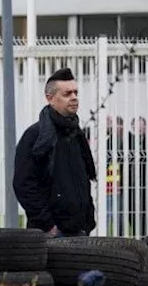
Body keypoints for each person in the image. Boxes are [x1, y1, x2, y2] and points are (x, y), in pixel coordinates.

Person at [13, 68, 97, 237]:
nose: (74, 98)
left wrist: (88, 220)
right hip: (51, 233)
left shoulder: (76, 134)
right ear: (50, 98)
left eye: (75, 92)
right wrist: (47, 225)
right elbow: (23, 184)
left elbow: (83, 178)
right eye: (67, 94)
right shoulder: (36, 136)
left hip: (79, 230)